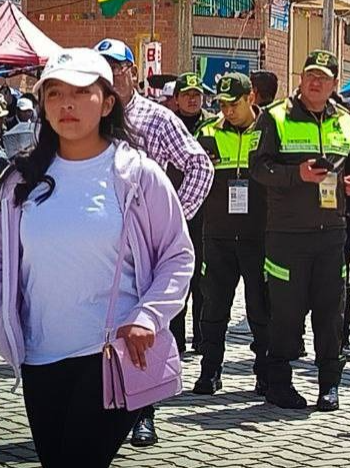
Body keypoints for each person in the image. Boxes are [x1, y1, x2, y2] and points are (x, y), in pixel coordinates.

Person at [0, 48, 194, 468]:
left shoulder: (136, 174)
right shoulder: (20, 180)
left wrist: (150, 314)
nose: (67, 104)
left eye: (80, 92)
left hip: (110, 355)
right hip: (39, 356)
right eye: (54, 93)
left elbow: (177, 253)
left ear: (108, 101)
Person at [92, 38, 211, 448]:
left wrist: (175, 217)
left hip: (144, 243)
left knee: (146, 326)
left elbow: (199, 165)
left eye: (117, 67)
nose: (110, 75)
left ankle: (144, 412)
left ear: (132, 71)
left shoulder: (157, 119)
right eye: (102, 67)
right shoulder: (90, 117)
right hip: (97, 241)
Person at [250, 50, 350, 412]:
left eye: (323, 77)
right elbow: (257, 167)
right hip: (287, 235)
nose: (315, 82)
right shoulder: (275, 117)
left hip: (332, 233)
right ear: (300, 79)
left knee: (330, 311)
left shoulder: (345, 120)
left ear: (334, 84)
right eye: (309, 75)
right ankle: (278, 383)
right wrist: (295, 175)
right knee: (285, 313)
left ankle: (329, 384)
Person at [192, 73, 269, 396]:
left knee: (262, 309)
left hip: (258, 236)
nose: (227, 111)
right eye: (222, 104)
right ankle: (210, 371)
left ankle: (265, 373)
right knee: (214, 308)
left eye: (233, 104)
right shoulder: (207, 133)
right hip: (219, 236)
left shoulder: (269, 130)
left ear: (250, 97)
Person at [159, 71, 211, 359]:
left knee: (204, 281)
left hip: (207, 216)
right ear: (176, 99)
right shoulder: (168, 127)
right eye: (187, 94)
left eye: (197, 94)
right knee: (176, 278)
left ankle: (202, 338)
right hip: (172, 214)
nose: (192, 99)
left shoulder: (214, 127)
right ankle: (175, 339)